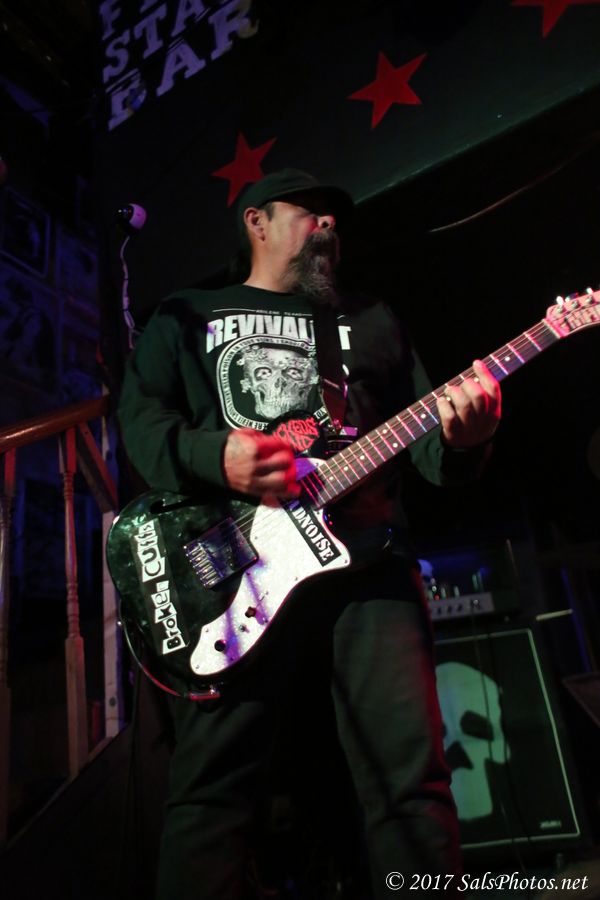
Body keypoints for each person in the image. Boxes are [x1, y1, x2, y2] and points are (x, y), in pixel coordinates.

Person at [117, 168, 501, 899]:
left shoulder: (373, 319)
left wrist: (466, 440)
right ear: (256, 222)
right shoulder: (188, 314)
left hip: (371, 567)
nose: (328, 223)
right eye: (309, 210)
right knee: (213, 791)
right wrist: (216, 456)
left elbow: (430, 451)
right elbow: (140, 422)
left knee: (412, 784)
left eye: (334, 216)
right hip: (238, 570)